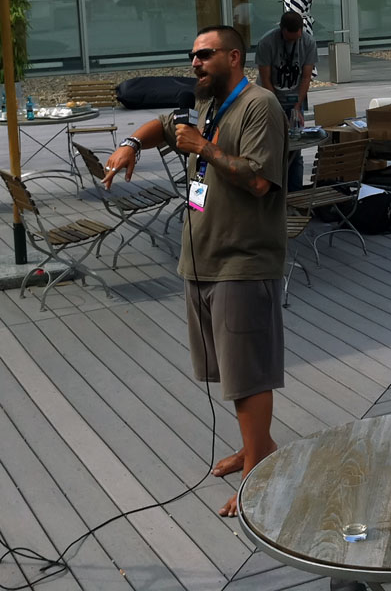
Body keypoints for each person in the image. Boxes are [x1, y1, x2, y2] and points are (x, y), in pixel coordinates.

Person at [102, 25, 286, 518]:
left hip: (243, 261)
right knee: (229, 372)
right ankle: (258, 448)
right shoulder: (204, 104)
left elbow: (261, 180)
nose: (195, 62)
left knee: (249, 376)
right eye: (192, 55)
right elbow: (162, 126)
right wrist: (132, 144)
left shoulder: (260, 106)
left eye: (205, 54)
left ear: (234, 56)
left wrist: (203, 148)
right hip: (202, 259)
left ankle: (256, 478)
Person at [256, 10, 317, 189]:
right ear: (282, 30)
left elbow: (306, 77)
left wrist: (297, 106)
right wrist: (275, 107)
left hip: (295, 99)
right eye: (289, 39)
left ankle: (295, 192)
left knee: (295, 148)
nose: (293, 42)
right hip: (270, 98)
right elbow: (265, 79)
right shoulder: (267, 43)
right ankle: (273, 190)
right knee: (271, 146)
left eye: (296, 38)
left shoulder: (308, 42)